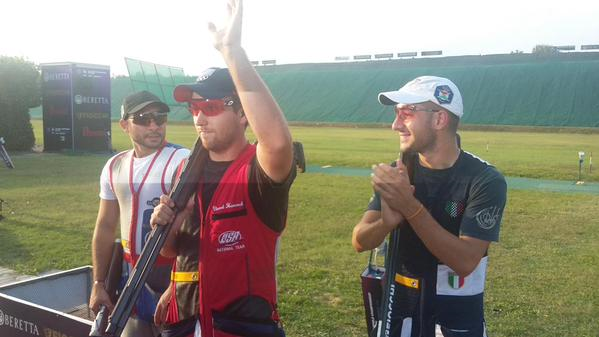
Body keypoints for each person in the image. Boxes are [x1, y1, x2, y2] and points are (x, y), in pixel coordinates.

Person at [150, 0, 296, 336]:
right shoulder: (187, 170)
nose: (199, 116)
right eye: (194, 107)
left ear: (242, 113)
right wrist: (165, 225)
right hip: (184, 323)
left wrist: (232, 52)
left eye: (211, 106)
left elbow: (277, 142)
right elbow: (175, 251)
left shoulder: (258, 171)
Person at [352, 76, 507, 337]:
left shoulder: (484, 180)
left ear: (439, 119)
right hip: (398, 309)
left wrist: (409, 207)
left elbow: (466, 260)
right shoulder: (399, 171)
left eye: (407, 113)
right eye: (396, 113)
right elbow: (359, 241)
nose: (395, 125)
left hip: (456, 317)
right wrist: (386, 223)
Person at [90, 90, 190, 337]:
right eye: (144, 118)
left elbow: (196, 233)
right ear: (125, 124)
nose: (154, 125)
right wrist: (98, 283)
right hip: (129, 276)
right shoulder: (115, 166)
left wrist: (179, 284)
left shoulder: (182, 160)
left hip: (171, 276)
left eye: (160, 117)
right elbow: (104, 226)